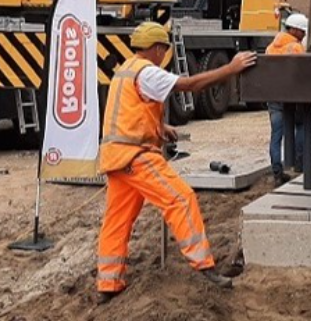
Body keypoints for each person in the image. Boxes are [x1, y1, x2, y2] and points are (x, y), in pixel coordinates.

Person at [96, 22, 257, 304]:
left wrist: (160, 126)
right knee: (181, 199)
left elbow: (135, 108)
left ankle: (108, 284)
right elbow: (191, 85)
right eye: (164, 50)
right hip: (136, 155)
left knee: (117, 220)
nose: (165, 56)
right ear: (157, 48)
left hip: (116, 157)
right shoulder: (148, 72)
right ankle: (204, 266)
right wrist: (230, 69)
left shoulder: (126, 69)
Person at [266, 13, 309, 184]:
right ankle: (300, 164)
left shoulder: (270, 47)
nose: (304, 35)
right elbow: (303, 74)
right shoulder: (296, 48)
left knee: (276, 135)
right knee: (301, 124)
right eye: (303, 32)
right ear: (295, 30)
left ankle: (277, 172)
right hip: (292, 95)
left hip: (274, 96)